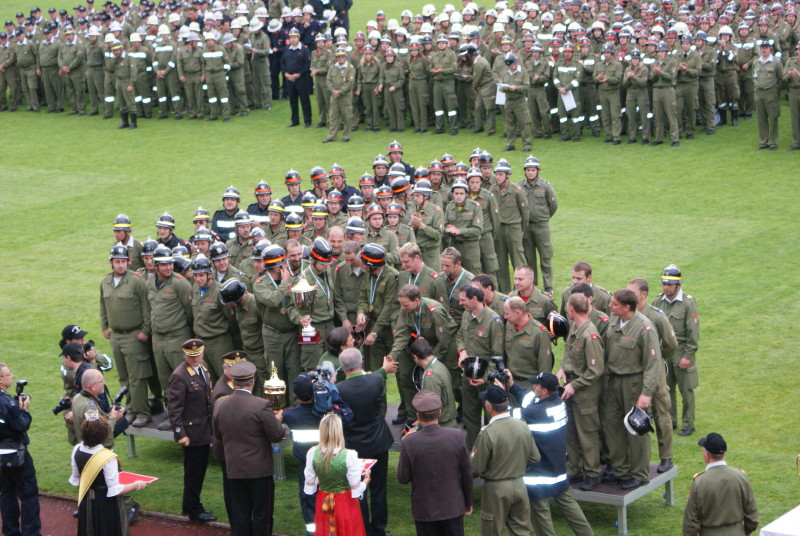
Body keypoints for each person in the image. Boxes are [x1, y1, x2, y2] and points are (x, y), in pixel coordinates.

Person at [505, 372, 594, 536]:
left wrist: (499, 393)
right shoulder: (558, 403)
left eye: (536, 385)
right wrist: (511, 385)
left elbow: (506, 413)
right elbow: (529, 398)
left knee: (541, 514)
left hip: (539, 473)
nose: (533, 386)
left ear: (544, 391)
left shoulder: (536, 412)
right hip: (558, 469)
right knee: (569, 506)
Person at [213, 361, 284, 536]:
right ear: (252, 382)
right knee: (262, 514)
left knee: (240, 513)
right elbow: (276, 435)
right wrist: (277, 421)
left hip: (234, 469)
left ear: (234, 382)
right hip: (259, 471)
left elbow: (218, 435)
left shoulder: (220, 405)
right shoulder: (261, 405)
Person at [603, 289, 661, 490]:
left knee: (636, 429)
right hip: (613, 382)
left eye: (614, 304)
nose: (610, 306)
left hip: (634, 384)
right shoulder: (614, 320)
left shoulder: (645, 328)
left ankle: (639, 474)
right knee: (612, 425)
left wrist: (646, 393)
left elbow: (653, 363)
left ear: (627, 307)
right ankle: (621, 470)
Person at [397, 390, 472, 536]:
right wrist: (467, 502)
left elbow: (403, 478)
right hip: (452, 508)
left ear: (418, 416)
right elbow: (467, 473)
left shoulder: (409, 442)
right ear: (440, 412)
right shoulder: (456, 436)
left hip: (424, 510)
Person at [336, 348, 393, 536]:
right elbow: (377, 385)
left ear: (342, 367)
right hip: (377, 443)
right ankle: (379, 530)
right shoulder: (375, 380)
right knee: (379, 490)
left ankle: (364, 530)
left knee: (358, 490)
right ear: (361, 363)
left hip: (355, 447)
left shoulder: (340, 389)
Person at [470, 384, 539, 536]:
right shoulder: (522, 425)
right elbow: (535, 458)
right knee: (522, 531)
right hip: (519, 485)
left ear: (489, 407)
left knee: (492, 531)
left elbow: (476, 468)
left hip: (496, 488)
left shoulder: (487, 432)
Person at [100, 245, 155, 428]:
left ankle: (142, 412)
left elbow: (146, 307)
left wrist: (145, 330)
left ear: (129, 262)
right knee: (124, 377)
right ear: (111, 262)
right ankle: (131, 410)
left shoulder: (136, 281)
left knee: (137, 377)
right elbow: (103, 305)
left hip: (134, 335)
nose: (120, 265)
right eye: (117, 262)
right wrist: (105, 326)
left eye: (123, 261)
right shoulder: (105, 282)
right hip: (116, 336)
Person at [69, 413, 150, 536]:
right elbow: (114, 490)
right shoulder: (107, 457)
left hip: (86, 501)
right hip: (106, 505)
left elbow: (76, 480)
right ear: (104, 435)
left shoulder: (76, 449)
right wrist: (137, 485)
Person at [557, 293, 605, 491]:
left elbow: (595, 370)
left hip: (585, 392)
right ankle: (574, 469)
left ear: (571, 309)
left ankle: (592, 473)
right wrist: (562, 368)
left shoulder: (589, 335)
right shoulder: (575, 328)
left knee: (587, 433)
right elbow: (568, 352)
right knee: (571, 432)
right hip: (571, 388)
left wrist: (574, 385)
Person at [166, 339, 216, 522]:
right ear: (184, 355)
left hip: (203, 429)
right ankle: (195, 509)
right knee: (195, 472)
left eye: (198, 355)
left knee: (197, 471)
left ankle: (188, 506)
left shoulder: (203, 367)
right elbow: (174, 408)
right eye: (191, 356)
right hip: (192, 433)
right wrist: (180, 433)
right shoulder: (180, 376)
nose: (195, 359)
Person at [653, 264, 700, 437]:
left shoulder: (688, 303)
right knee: (666, 389)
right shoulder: (658, 301)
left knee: (686, 390)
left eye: (669, 284)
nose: (665, 287)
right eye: (664, 284)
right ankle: (671, 421)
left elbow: (693, 333)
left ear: (677, 285)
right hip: (665, 351)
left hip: (681, 351)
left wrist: (688, 355)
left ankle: (688, 424)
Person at [303, 413, 367, 536]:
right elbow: (356, 488)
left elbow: (310, 484)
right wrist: (366, 480)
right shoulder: (349, 455)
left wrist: (322, 478)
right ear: (339, 431)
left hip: (323, 501)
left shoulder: (312, 453)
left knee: (324, 530)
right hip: (345, 503)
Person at [683, 433, 759, 536]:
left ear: (705, 455)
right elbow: (751, 512)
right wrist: (747, 531)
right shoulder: (740, 477)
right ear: (724, 454)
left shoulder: (699, 482)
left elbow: (691, 521)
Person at [0, 363, 41, 536]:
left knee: (6, 493)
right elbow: (21, 424)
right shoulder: (6, 401)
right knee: (28, 494)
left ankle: (10, 532)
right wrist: (23, 409)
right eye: (8, 374)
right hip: (15, 453)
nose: (12, 376)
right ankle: (31, 533)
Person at [281, 374, 323, 535]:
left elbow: (276, 419)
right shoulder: (323, 413)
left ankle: (311, 531)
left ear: (294, 395)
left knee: (308, 498)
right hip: (327, 462)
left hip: (306, 466)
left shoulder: (290, 415)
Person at [518, 157, 557, 293]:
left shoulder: (545, 186)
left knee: (545, 256)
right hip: (527, 226)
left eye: (533, 170)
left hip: (542, 226)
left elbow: (553, 205)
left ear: (538, 171)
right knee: (529, 257)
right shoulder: (520, 186)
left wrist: (544, 217)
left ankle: (548, 286)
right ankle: (532, 284)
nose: (530, 173)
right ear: (525, 171)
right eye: (528, 170)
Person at [409, 338, 457, 429]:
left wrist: (418, 427)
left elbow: (430, 408)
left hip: (441, 427)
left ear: (415, 357)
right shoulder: (439, 366)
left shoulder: (431, 376)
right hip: (447, 423)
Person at [499, 52, 532, 152]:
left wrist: (516, 88)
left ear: (516, 62)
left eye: (511, 64)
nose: (510, 67)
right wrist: (503, 88)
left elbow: (526, 86)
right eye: (508, 65)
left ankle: (527, 145)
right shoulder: (505, 73)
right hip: (508, 101)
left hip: (519, 101)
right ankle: (510, 144)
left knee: (524, 124)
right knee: (510, 124)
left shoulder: (523, 72)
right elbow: (501, 86)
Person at [282, 28, 312, 128]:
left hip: (301, 79)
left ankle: (307, 121)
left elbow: (307, 64)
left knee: (304, 100)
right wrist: (286, 74)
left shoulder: (304, 49)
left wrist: (299, 74)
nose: (293, 39)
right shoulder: (287, 49)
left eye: (295, 37)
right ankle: (295, 121)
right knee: (292, 100)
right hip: (289, 79)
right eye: (291, 37)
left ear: (298, 38)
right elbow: (282, 62)